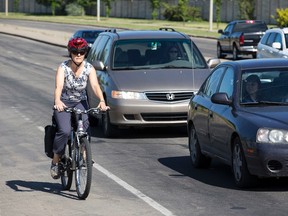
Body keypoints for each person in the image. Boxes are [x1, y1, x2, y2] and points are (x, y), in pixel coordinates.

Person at [50, 37, 109, 179]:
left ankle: (85, 156)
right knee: (64, 131)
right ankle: (55, 161)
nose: (78, 55)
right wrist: (57, 100)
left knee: (85, 129)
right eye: (75, 52)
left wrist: (101, 101)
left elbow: (95, 86)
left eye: (81, 52)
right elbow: (58, 87)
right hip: (64, 102)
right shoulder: (63, 67)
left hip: (80, 102)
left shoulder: (89, 68)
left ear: (85, 53)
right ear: (70, 53)